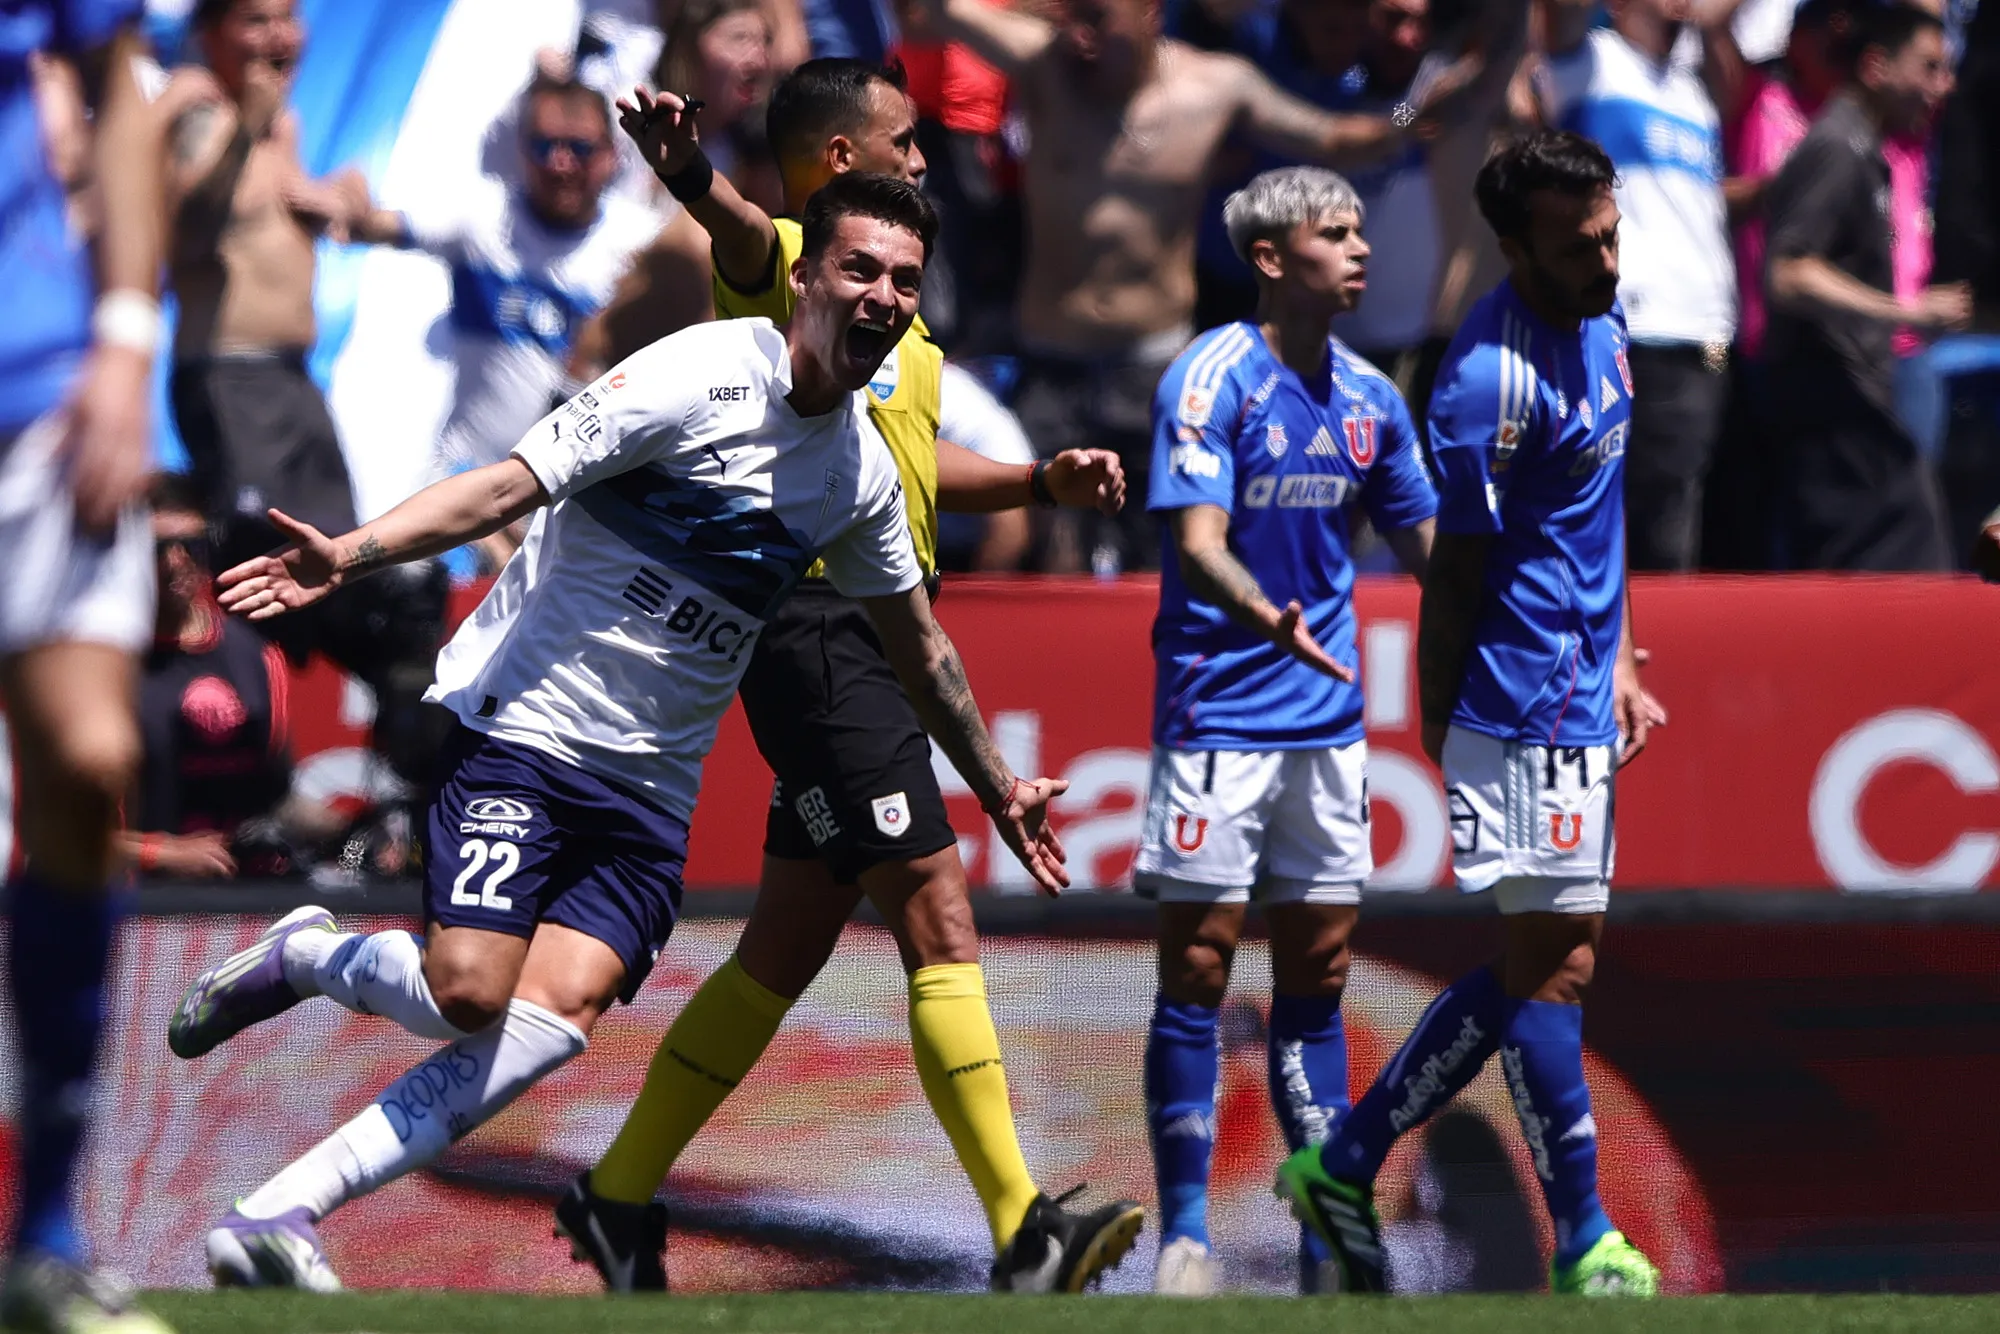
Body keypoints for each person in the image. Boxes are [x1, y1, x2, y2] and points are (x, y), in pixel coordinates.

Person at [166, 174, 1078, 1291]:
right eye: (859, 268)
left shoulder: (857, 473)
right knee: (467, 989)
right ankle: (310, 950)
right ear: (805, 279)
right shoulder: (694, 373)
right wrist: (347, 555)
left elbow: (920, 647)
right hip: (527, 730)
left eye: (903, 278)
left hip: (650, 795)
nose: (883, 294)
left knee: (554, 1019)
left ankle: (278, 1214)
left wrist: (994, 784)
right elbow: (504, 484)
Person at [552, 61, 1144, 1295]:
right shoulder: (793, 262)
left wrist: (1035, 481)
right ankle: (1021, 1228)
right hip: (814, 623)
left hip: (865, 627)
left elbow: (922, 460)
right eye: (905, 140)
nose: (924, 160)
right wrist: (680, 170)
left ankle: (612, 1197)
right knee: (934, 900)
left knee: (785, 945)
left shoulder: (899, 316)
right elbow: (729, 220)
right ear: (837, 161)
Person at [1274, 131, 1668, 1298]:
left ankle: (1343, 1157)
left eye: (1607, 236)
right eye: (1576, 247)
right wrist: (1445, 717)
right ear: (1511, 247)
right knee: (1553, 964)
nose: (1603, 263)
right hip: (1514, 697)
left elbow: (1597, 505)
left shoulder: (1604, 322)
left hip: (1580, 685)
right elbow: (1452, 573)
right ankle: (1582, 1237)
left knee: (1548, 957)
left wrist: (1625, 657)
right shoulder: (1484, 383)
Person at [1134, 167, 1436, 1297]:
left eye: (1362, 231)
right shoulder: (1209, 377)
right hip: (1219, 707)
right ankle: (1186, 1236)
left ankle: (1318, 1220)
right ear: (1269, 258)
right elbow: (1199, 539)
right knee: (1201, 965)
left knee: (1316, 975)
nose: (1361, 250)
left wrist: (1556, 621)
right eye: (1334, 234)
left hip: (1328, 724)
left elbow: (1431, 554)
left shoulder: (1371, 395)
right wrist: (1267, 614)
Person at [910, 0, 1466, 571]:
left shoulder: (1215, 87)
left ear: (1148, 13)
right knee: (1055, 555)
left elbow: (1336, 138)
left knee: (1164, 554)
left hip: (1154, 370)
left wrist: (1408, 114)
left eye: (1097, 18)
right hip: (1052, 367)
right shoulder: (1043, 61)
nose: (1079, 35)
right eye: (1072, 17)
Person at [163, 0, 450, 825]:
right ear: (212, 31)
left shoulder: (273, 120)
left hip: (292, 386)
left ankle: (408, 782)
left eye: (288, 18)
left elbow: (276, 210)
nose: (280, 38)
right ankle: (228, 746)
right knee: (261, 552)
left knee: (358, 574)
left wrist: (338, 198)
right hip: (231, 375)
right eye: (256, 20)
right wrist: (246, 121)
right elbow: (185, 216)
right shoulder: (191, 102)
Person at [0, 1, 172, 1330]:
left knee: (90, 757)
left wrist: (124, 338)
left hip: (45, 394)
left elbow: (123, 85)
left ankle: (48, 1231)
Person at [331, 73, 661, 568]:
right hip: (465, 492)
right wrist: (344, 195)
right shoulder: (484, 218)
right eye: (544, 145)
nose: (560, 162)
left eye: (580, 148)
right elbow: (365, 223)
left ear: (613, 155)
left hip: (573, 510)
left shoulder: (643, 246)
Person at [1764, 2, 1969, 570]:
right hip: (1830, 417)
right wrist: (1904, 310)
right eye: (1929, 67)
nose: (1943, 86)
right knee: (1908, 556)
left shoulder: (1862, 146)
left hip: (1857, 411)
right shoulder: (1836, 145)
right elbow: (1789, 270)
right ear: (1876, 66)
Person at [1543, 0, 1744, 572]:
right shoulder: (1590, 61)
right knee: (1616, 517)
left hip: (1703, 331)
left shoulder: (1693, 90)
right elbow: (1554, 17)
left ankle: (1664, 649)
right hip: (1630, 326)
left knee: (1677, 517)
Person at [126, 475, 321, 881]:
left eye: (192, 546)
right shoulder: (108, 662)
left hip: (243, 900)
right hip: (140, 906)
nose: (175, 561)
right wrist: (161, 853)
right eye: (157, 548)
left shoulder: (256, 655)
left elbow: (276, 800)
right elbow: (54, 828)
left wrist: (356, 830)